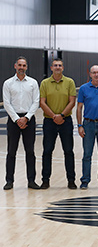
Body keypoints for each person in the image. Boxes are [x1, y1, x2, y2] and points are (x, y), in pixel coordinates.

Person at [3, 56, 40, 190]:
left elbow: (36, 101)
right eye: (19, 65)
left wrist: (27, 118)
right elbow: (6, 103)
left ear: (26, 67)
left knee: (30, 151)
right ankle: (9, 181)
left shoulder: (33, 83)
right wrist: (16, 119)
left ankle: (31, 180)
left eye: (23, 65)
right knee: (11, 151)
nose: (21, 68)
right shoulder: (8, 83)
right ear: (15, 66)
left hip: (29, 120)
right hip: (14, 120)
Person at [39, 58, 77, 189]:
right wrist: (54, 116)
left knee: (68, 151)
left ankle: (71, 180)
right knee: (47, 151)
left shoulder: (69, 82)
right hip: (49, 121)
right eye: (55, 65)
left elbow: (72, 101)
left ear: (63, 68)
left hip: (65, 121)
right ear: (51, 68)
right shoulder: (44, 83)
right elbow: (42, 102)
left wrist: (61, 116)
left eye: (60, 65)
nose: (57, 67)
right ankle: (45, 180)